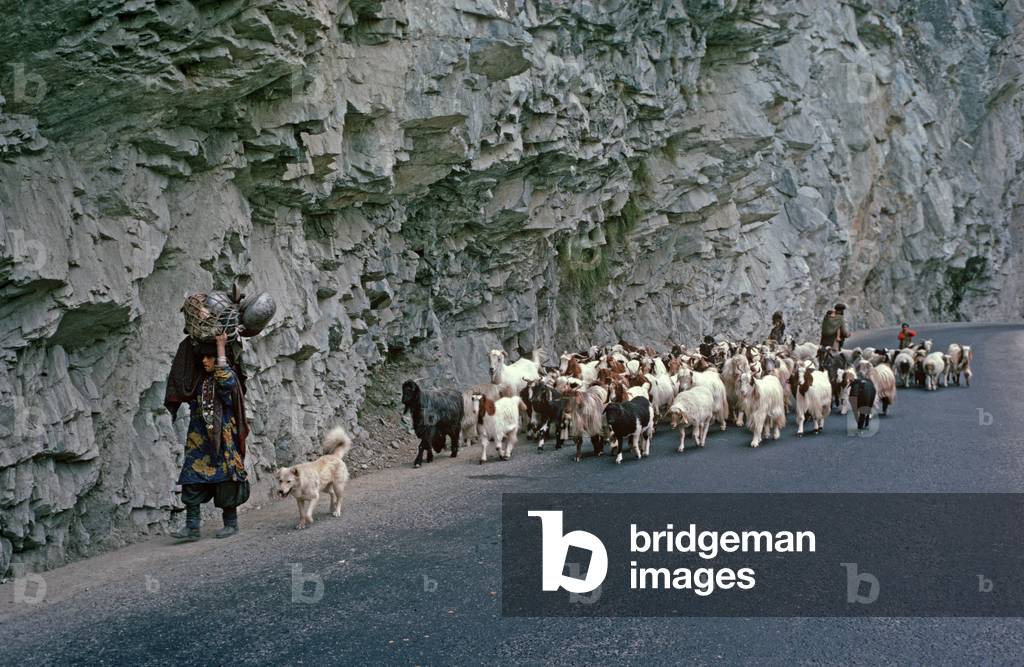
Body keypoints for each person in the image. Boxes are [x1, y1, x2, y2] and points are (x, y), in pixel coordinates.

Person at [165, 332, 250, 541]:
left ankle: (231, 524)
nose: (205, 361)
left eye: (209, 357)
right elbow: (182, 374)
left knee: (226, 482)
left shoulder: (228, 378)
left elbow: (225, 380)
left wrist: (220, 347)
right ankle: (192, 527)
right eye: (203, 357)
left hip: (223, 441)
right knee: (191, 479)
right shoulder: (198, 379)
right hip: (199, 441)